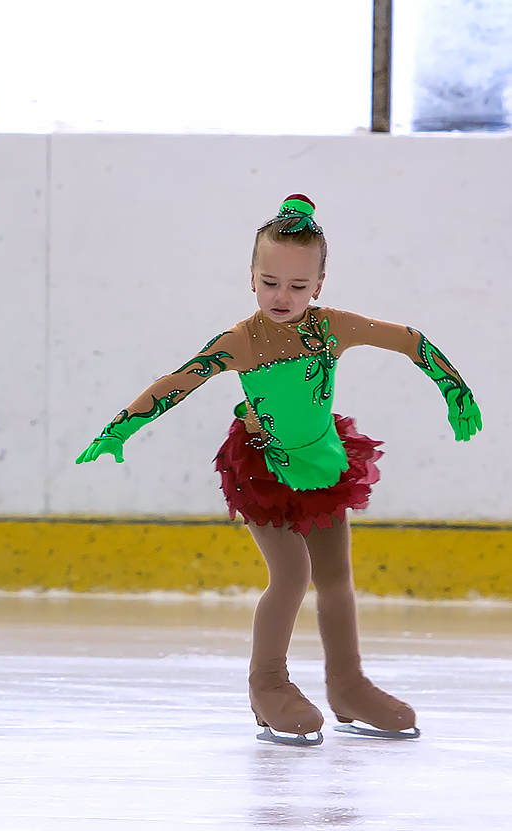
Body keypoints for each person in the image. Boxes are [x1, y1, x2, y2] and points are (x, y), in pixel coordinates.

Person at [76, 194, 482, 744]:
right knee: (291, 574)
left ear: (319, 284)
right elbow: (178, 382)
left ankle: (348, 685)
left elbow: (409, 340)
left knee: (336, 579)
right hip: (261, 469)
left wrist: (455, 391)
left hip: (321, 461)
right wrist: (119, 428)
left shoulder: (332, 328)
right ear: (251, 278)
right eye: (270, 282)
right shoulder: (241, 341)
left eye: (297, 285)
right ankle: (267, 684)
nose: (282, 297)